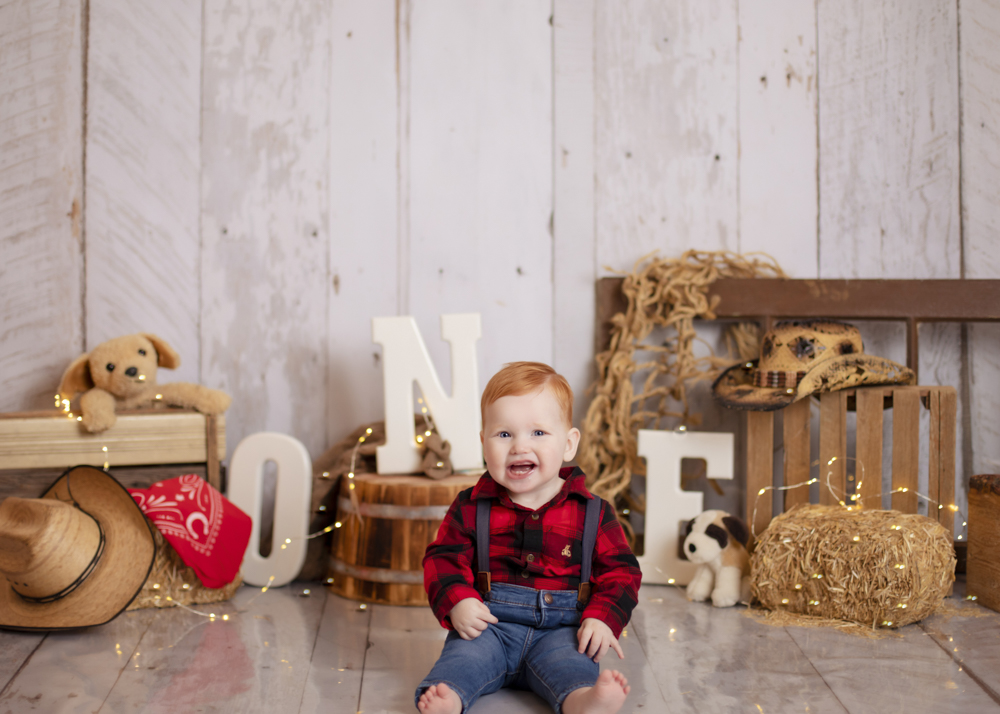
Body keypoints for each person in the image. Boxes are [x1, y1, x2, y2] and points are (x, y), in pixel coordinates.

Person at [416, 362, 641, 714]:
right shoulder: (471, 506)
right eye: (504, 434)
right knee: (463, 658)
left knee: (573, 667)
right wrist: (458, 600)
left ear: (568, 444)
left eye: (538, 433)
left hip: (563, 632)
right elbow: (442, 559)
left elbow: (622, 572)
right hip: (490, 627)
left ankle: (585, 701)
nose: (520, 446)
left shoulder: (593, 513)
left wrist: (601, 616)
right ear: (483, 443)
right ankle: (450, 697)